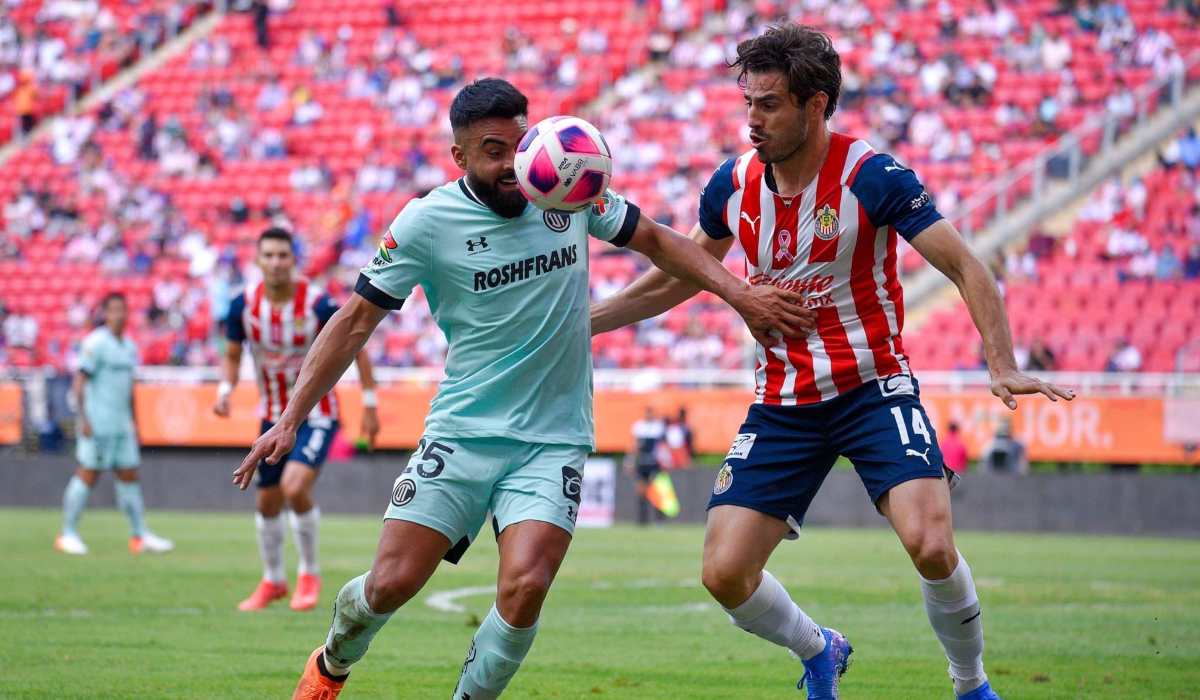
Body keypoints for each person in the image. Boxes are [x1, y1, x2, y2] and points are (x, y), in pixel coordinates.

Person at [231, 78, 810, 699]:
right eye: (492, 151)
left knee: (526, 585)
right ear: (460, 156)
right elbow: (353, 322)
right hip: (462, 432)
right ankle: (332, 665)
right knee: (391, 583)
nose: (513, 165)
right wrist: (291, 417)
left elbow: (658, 241)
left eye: (518, 143)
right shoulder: (426, 222)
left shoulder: (565, 186)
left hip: (552, 439)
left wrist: (739, 294)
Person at [591, 25, 1075, 700]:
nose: (752, 120)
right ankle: (820, 650)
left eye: (769, 104)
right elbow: (681, 276)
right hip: (783, 405)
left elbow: (965, 264)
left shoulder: (871, 176)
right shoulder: (732, 184)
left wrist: (1001, 361)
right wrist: (582, 324)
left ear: (815, 106)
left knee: (931, 543)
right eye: (748, 103)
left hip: (872, 388)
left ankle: (971, 685)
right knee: (724, 574)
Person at [214, 227, 381, 613]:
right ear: (258, 261)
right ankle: (273, 580)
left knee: (294, 487)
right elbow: (234, 354)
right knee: (267, 501)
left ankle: (309, 574)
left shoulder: (318, 304)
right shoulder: (243, 306)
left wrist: (370, 402)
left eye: (282, 256)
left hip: (317, 413)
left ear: (294, 260)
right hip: (272, 414)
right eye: (268, 256)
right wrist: (225, 390)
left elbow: (356, 344)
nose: (275, 263)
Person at [55, 293, 174, 556]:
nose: (119, 314)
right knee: (88, 473)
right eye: (114, 310)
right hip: (97, 423)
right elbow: (79, 383)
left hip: (122, 425)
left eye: (123, 309)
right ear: (105, 314)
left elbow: (129, 389)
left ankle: (139, 535)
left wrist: (136, 423)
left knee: (129, 475)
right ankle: (67, 533)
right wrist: (83, 420)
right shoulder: (95, 343)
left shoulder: (129, 346)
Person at [628, 407, 666, 524]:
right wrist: (630, 461)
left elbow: (662, 446)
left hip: (654, 463)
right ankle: (642, 519)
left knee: (656, 490)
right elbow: (634, 446)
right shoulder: (639, 427)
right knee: (641, 491)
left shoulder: (658, 427)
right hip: (642, 462)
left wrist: (664, 461)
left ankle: (659, 519)